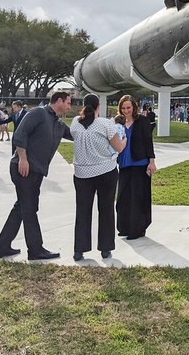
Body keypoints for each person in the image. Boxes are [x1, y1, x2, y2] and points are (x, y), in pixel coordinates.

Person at [0, 91, 73, 260]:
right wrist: (23, 158)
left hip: (36, 171)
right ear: (59, 101)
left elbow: (75, 135)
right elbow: (19, 135)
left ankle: (3, 246)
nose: (69, 106)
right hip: (23, 168)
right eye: (68, 103)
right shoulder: (39, 113)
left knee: (22, 207)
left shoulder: (58, 124)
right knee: (29, 209)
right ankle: (35, 250)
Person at [70, 94, 126, 261]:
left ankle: (79, 249)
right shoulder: (105, 123)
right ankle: (105, 248)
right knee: (106, 209)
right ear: (98, 107)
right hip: (105, 171)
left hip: (81, 173)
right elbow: (118, 147)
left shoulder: (75, 123)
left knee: (82, 210)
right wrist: (124, 140)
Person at [116, 95, 157, 239]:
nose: (126, 110)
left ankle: (137, 230)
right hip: (123, 164)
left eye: (128, 107)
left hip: (140, 163)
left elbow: (148, 142)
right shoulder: (118, 123)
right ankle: (125, 227)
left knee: (138, 198)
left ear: (134, 107)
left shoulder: (142, 121)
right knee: (123, 198)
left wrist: (152, 162)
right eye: (123, 108)